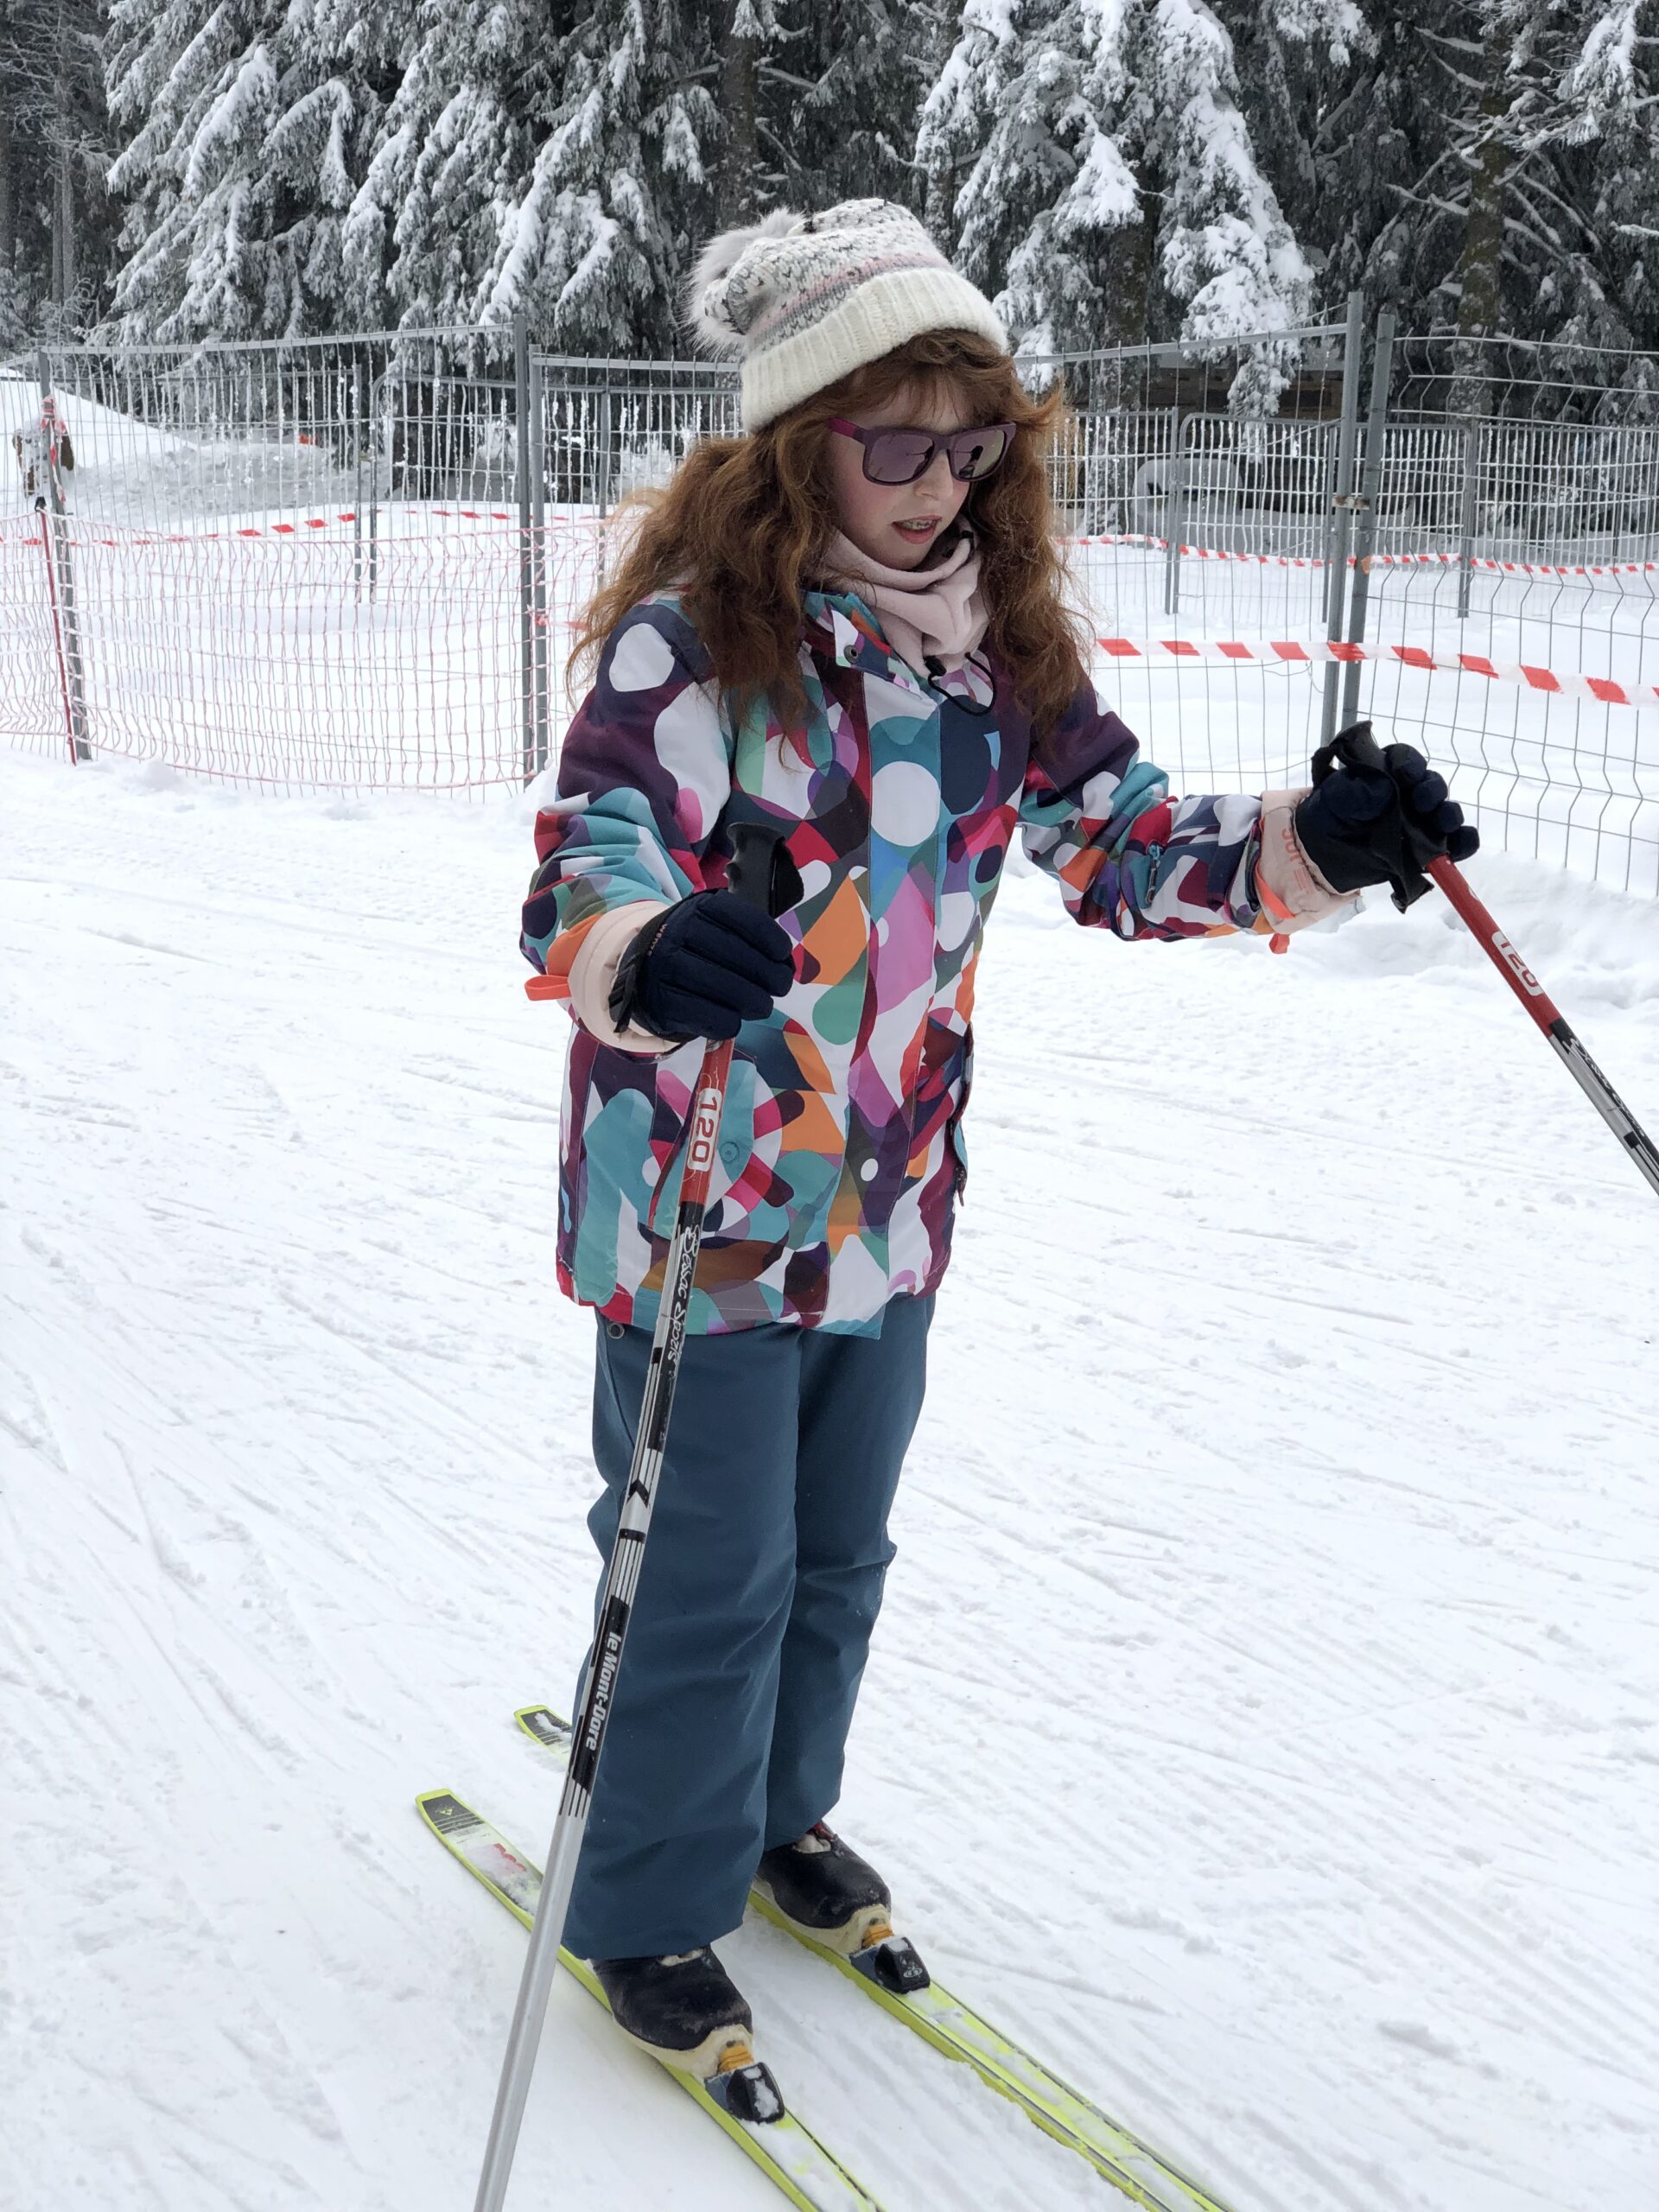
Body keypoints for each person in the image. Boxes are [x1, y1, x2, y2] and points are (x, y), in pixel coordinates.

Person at [520, 199, 1476, 2077]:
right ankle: (644, 1899)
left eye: (974, 447)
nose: (938, 486)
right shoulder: (689, 651)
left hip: (890, 1204)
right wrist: (648, 948)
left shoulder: (997, 661)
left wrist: (1324, 843)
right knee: (703, 1570)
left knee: (836, 1558)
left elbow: (1129, 847)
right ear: (800, 441)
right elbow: (586, 870)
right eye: (897, 446)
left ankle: (773, 1811)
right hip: (707, 1201)